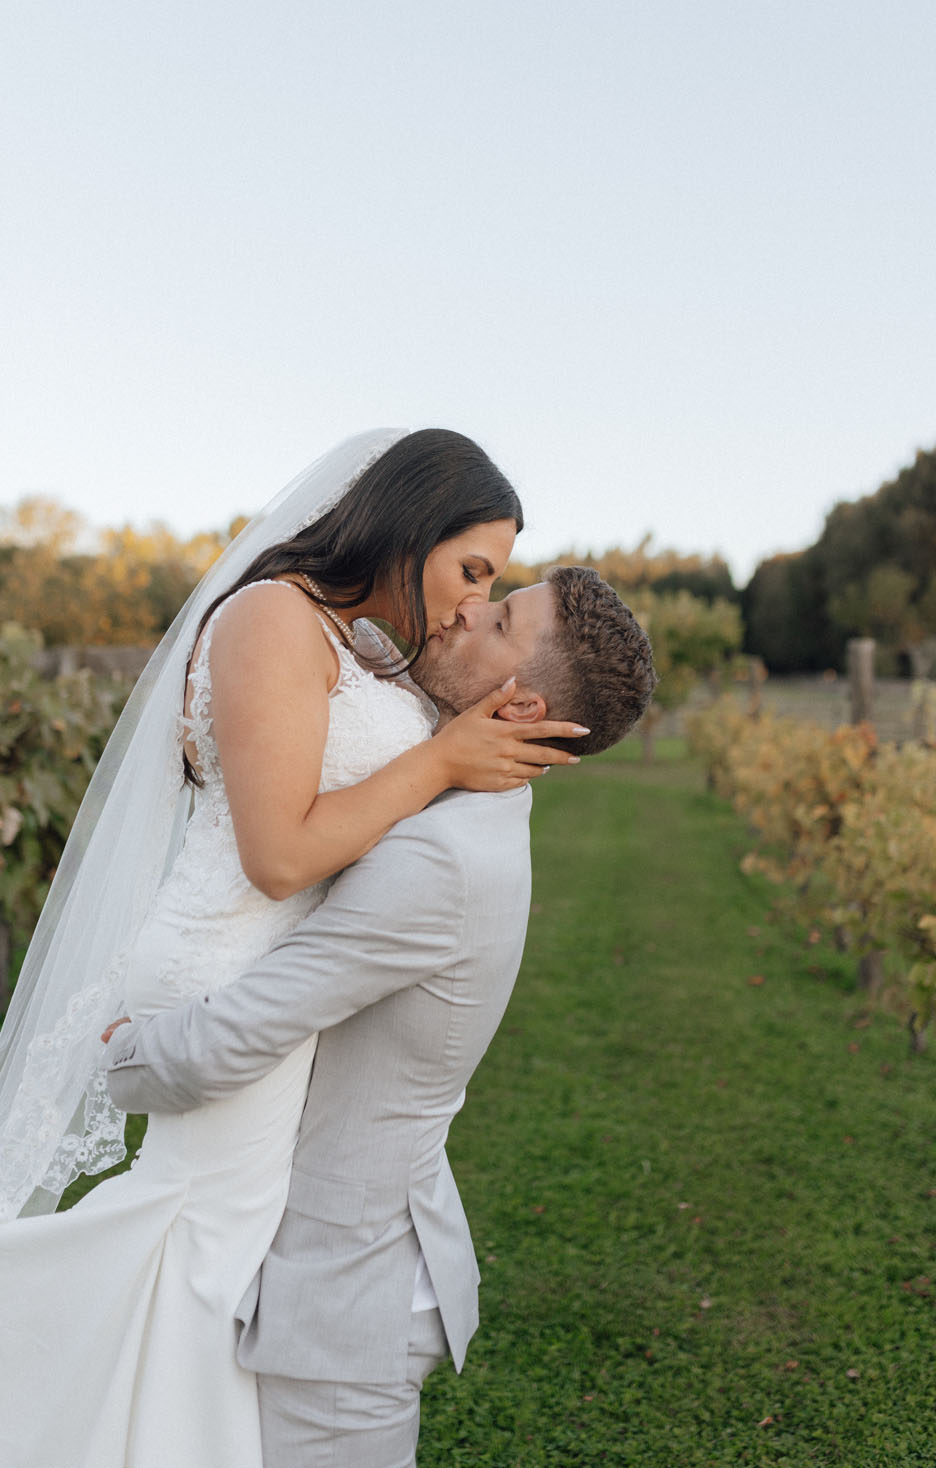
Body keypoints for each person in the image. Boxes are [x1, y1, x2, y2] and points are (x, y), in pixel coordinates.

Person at [0, 428, 587, 1468]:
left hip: (269, 960)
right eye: (472, 571)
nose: (474, 601)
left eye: (492, 586)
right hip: (229, 954)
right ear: (412, 526)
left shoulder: (361, 644)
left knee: (216, 1243)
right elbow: (279, 855)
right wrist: (439, 762)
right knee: (202, 1239)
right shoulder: (274, 618)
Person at [105, 566, 657, 1467]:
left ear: (521, 708)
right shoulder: (463, 801)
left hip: (345, 1311)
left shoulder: (441, 859)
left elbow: (237, 1037)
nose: (468, 610)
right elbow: (354, 644)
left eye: (500, 619)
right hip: (346, 1277)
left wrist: (117, 1054)